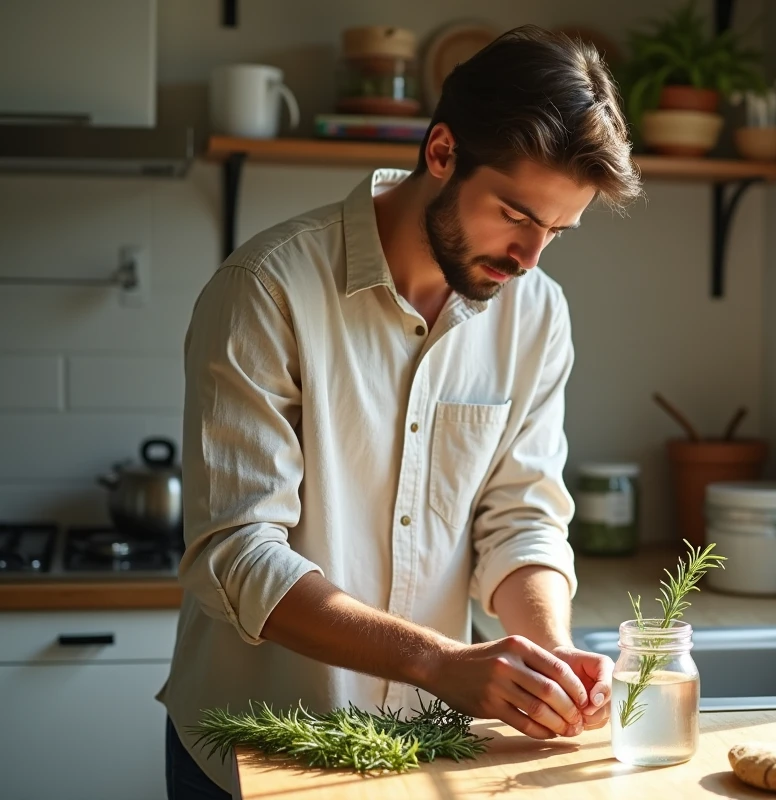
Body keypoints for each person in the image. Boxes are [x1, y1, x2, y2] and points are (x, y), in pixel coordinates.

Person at [157, 25, 642, 799]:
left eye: (557, 231)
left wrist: (548, 654)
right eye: (516, 215)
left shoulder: (538, 315)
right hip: (255, 751)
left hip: (426, 751)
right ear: (442, 152)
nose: (530, 257)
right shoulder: (267, 289)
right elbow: (239, 554)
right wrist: (440, 663)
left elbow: (520, 519)